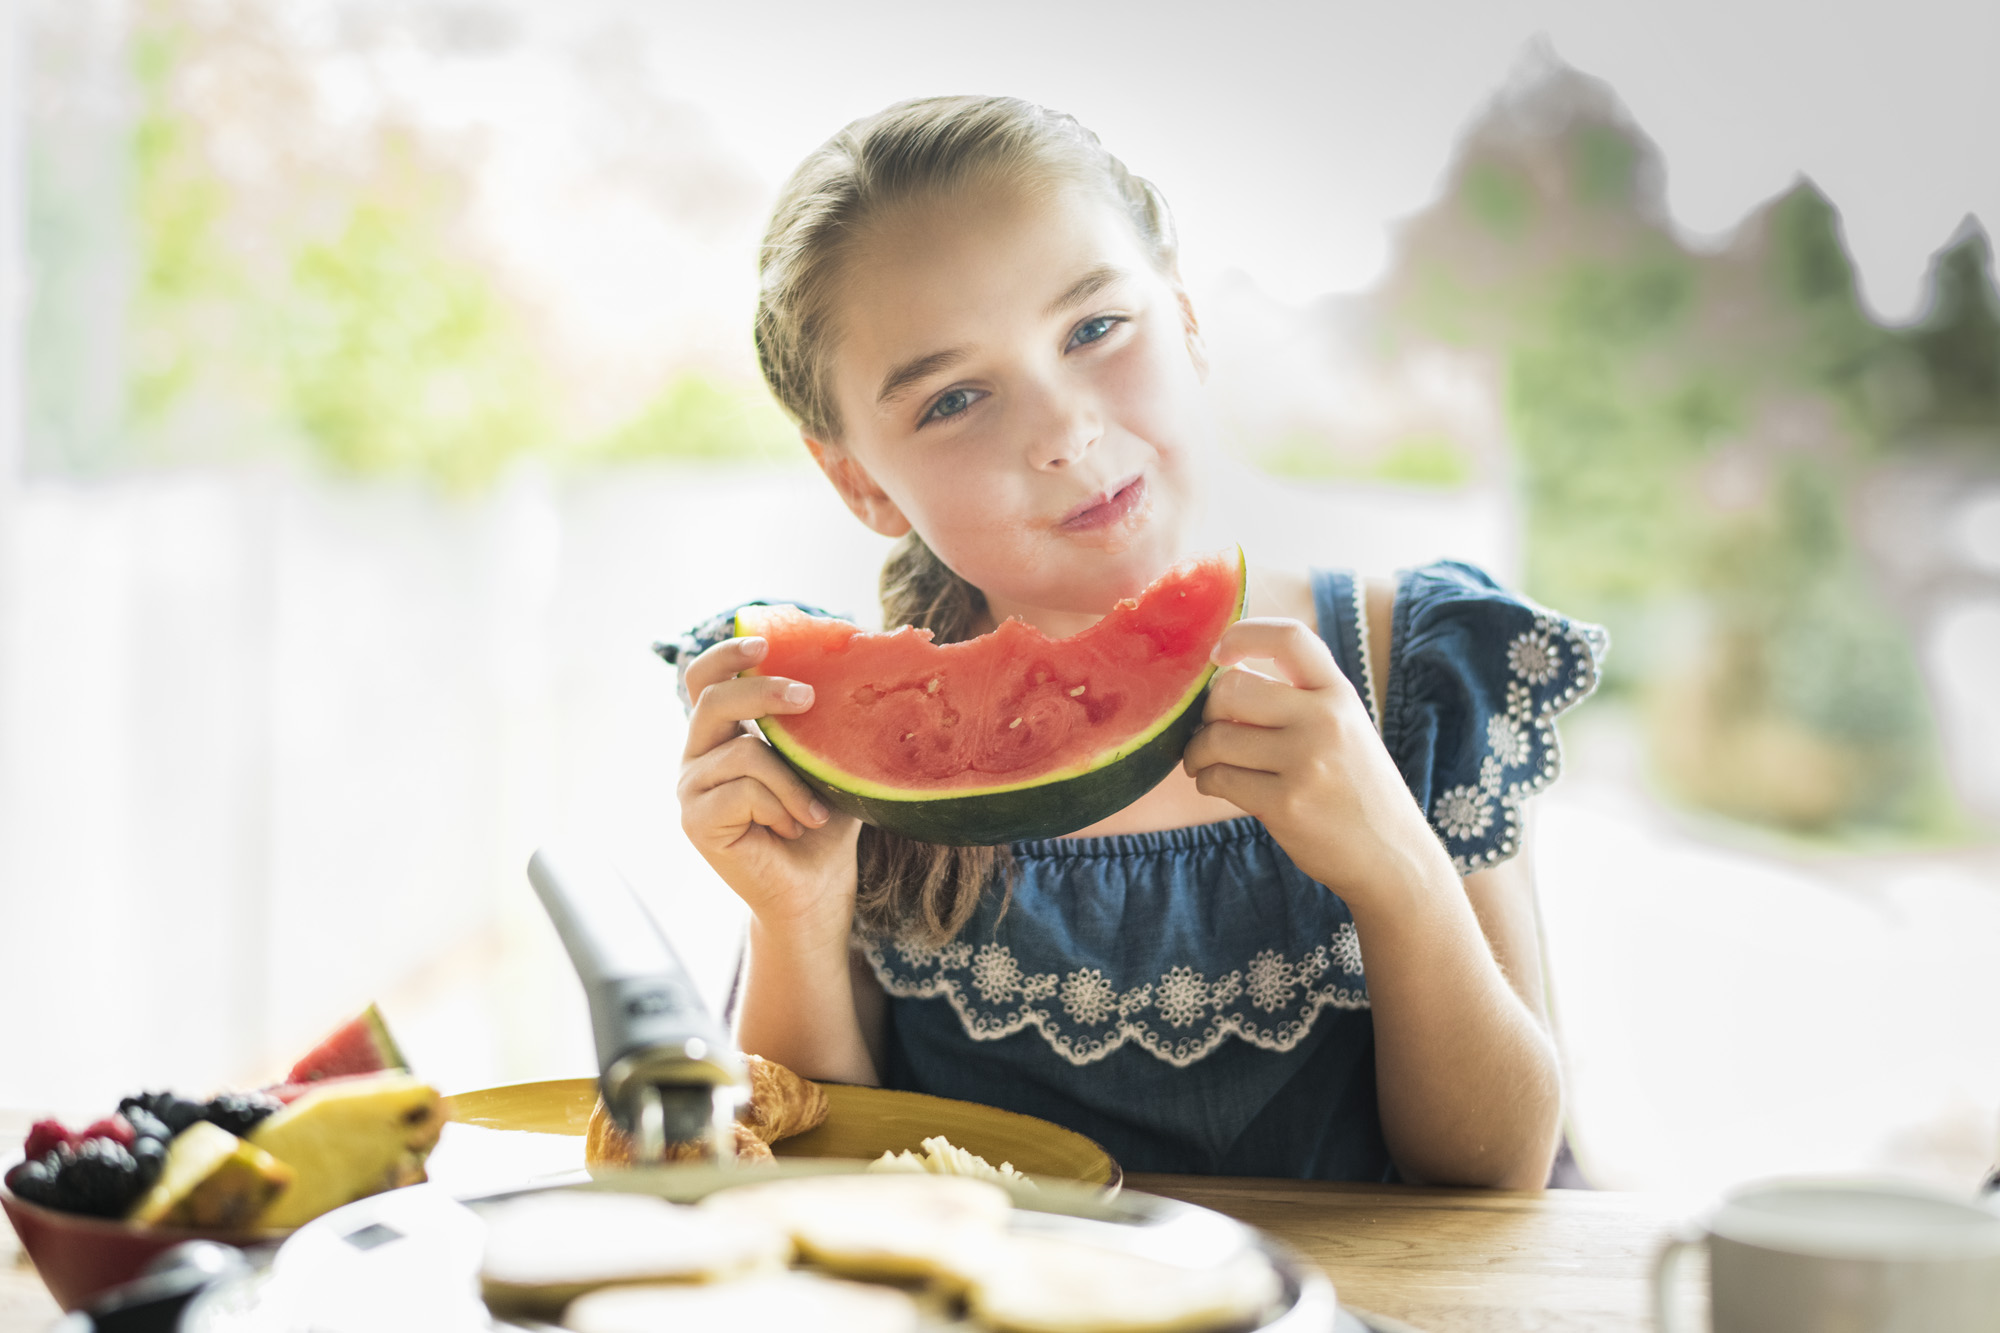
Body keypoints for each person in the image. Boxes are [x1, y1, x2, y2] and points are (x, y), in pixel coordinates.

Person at [666, 96, 1605, 1187]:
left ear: (1188, 322)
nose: (1064, 432)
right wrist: (795, 914)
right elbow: (825, 1176)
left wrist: (1396, 874)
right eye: (956, 397)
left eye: (1093, 329)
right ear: (859, 480)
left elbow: (1496, 1170)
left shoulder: (1410, 664)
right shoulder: (849, 750)